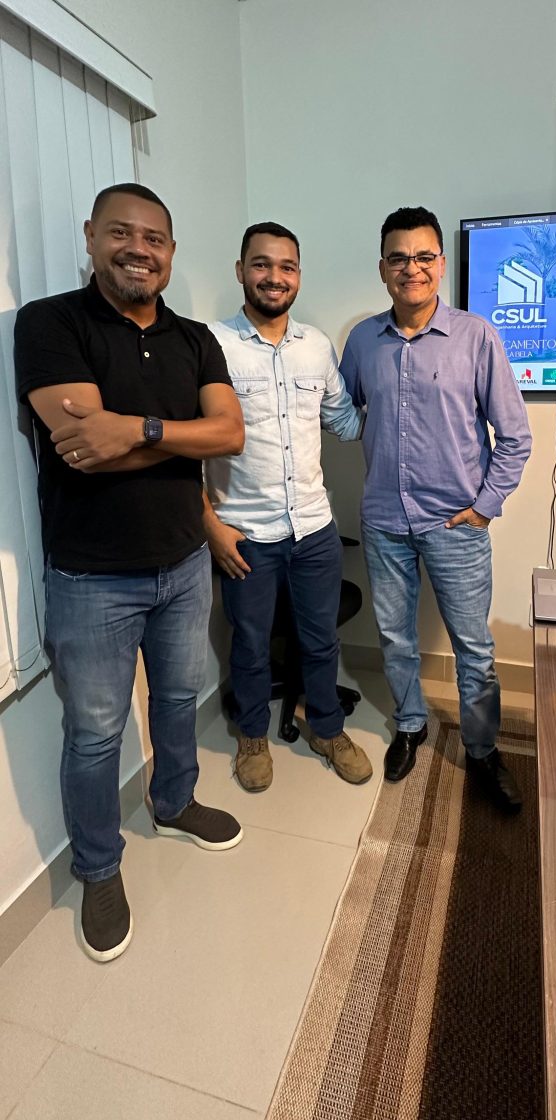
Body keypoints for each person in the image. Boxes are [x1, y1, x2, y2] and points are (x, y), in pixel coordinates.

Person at [14, 183, 246, 964]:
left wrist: (137, 428)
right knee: (94, 735)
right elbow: (84, 446)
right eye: (121, 233)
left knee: (179, 698)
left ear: (171, 253)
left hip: (184, 561)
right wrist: (181, 435)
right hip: (92, 578)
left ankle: (174, 800)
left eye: (154, 239)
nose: (138, 249)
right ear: (91, 236)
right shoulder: (50, 323)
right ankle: (98, 866)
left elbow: (230, 433)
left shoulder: (194, 338)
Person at [339, 206, 532, 811]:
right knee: (395, 637)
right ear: (382, 268)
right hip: (384, 521)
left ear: (441, 265)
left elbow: (515, 436)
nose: (412, 268)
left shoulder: (476, 337)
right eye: (399, 258)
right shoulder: (363, 341)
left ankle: (482, 751)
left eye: (424, 256)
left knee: (474, 650)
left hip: (456, 524)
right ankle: (410, 724)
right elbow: (343, 413)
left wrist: (485, 507)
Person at [203, 221, 372, 791]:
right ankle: (252, 735)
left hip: (314, 528)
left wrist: (403, 400)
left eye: (287, 266)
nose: (274, 277)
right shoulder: (211, 346)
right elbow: (188, 445)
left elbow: (344, 421)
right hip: (246, 533)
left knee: (320, 639)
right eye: (262, 264)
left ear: (298, 275)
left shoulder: (316, 346)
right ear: (241, 270)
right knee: (250, 644)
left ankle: (327, 727)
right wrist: (210, 526)